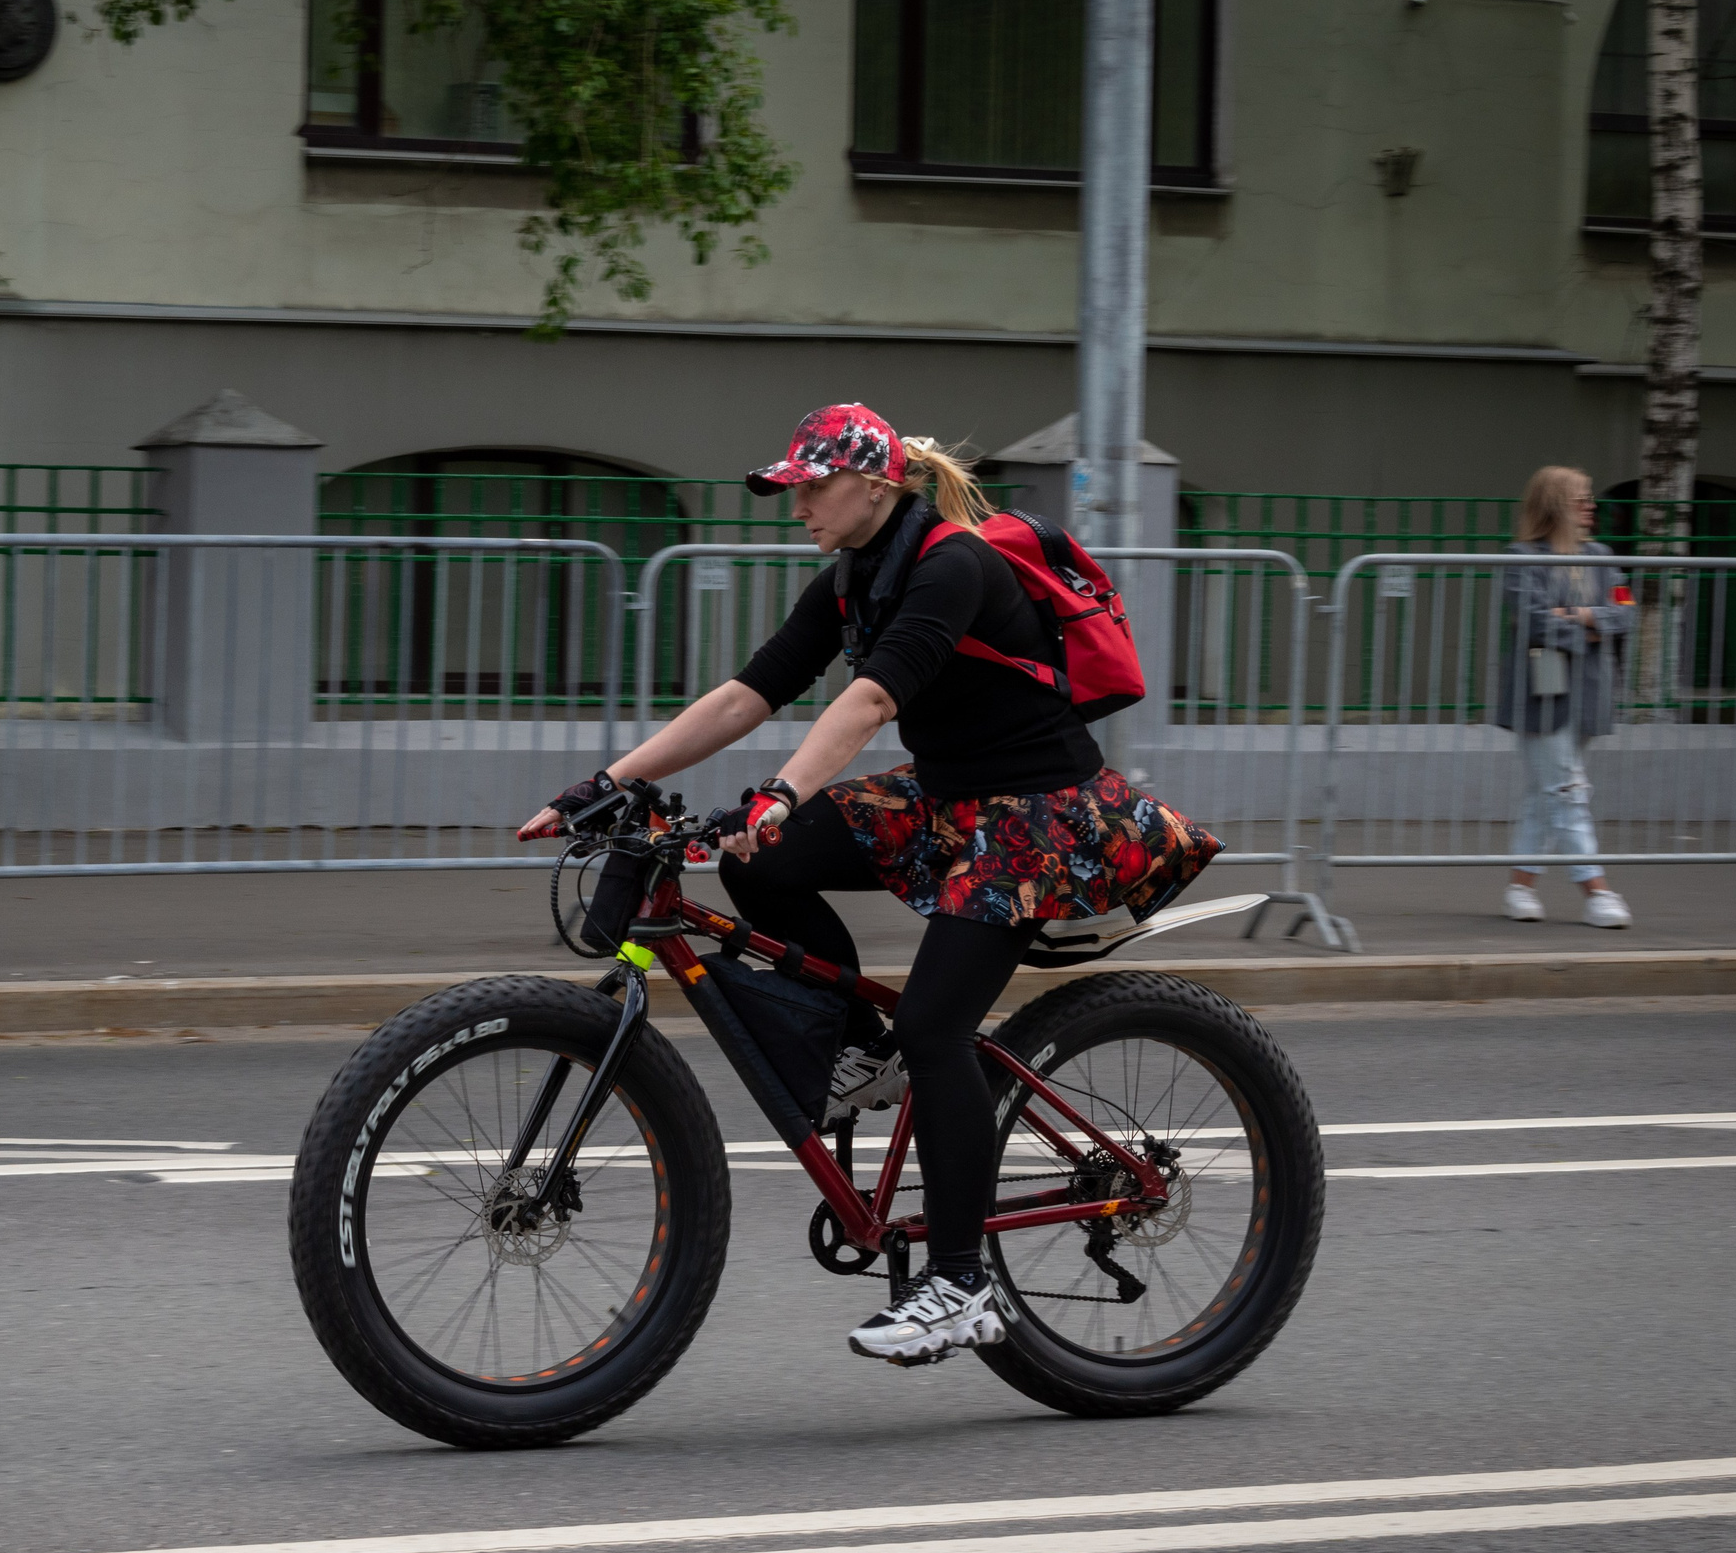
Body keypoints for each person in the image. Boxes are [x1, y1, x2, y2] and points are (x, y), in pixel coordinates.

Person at [518, 403, 1220, 1365]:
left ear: (877, 486)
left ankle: (963, 1282)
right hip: (946, 799)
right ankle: (865, 1052)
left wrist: (780, 788)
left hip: (1037, 816)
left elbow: (874, 697)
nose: (796, 501)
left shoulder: (952, 565)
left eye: (812, 484)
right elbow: (745, 692)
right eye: (788, 486)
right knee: (758, 859)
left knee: (936, 1026)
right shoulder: (851, 577)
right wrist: (611, 784)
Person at [1496, 466, 1634, 928]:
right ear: (1556, 506)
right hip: (1541, 693)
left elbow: (1626, 611)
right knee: (1567, 790)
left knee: (1545, 792)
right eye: (1581, 499)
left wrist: (1574, 615)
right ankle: (1596, 890)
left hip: (1589, 692)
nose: (1591, 507)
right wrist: (1592, 627)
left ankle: (1519, 888)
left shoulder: (1601, 555)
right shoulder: (1523, 557)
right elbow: (1533, 620)